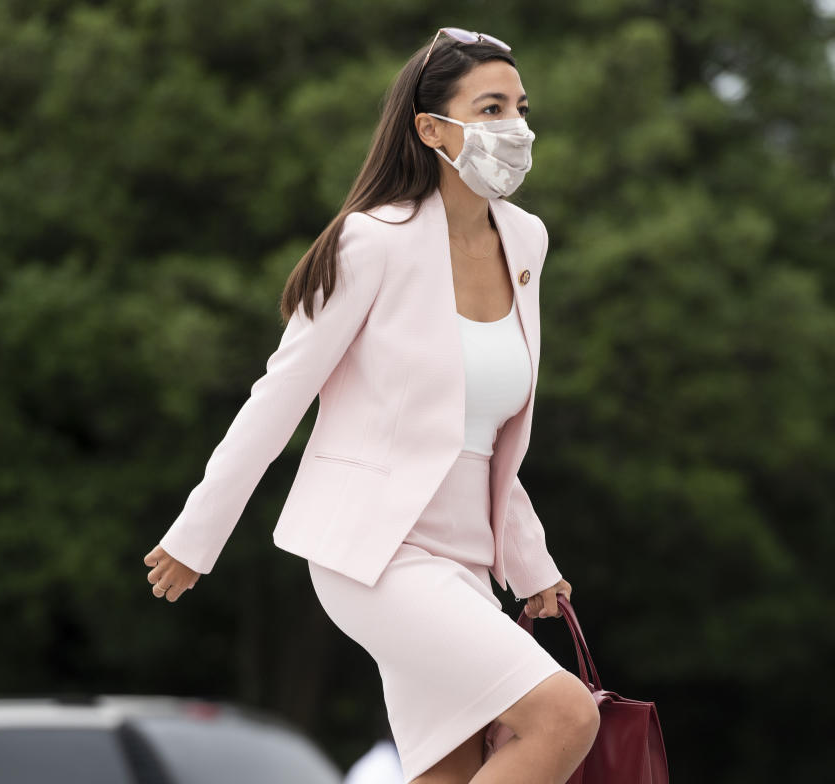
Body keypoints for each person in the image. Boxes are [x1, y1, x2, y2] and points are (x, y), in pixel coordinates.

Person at [140, 26, 600, 784]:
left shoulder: (526, 241)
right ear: (430, 128)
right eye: (490, 109)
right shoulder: (371, 242)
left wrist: (532, 563)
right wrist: (197, 536)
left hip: (468, 560)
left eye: (519, 107)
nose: (515, 128)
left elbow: (488, 435)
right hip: (375, 556)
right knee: (564, 714)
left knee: (448, 771)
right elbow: (277, 399)